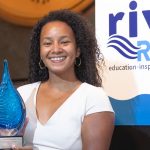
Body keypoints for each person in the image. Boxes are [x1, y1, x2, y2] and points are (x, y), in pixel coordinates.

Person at [14, 9, 114, 150]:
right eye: (47, 43)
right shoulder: (22, 94)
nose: (56, 49)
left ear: (78, 50)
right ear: (40, 52)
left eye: (64, 42)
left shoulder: (93, 97)